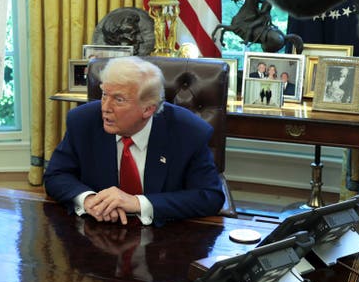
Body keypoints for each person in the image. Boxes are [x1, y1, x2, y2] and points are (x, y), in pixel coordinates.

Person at [44, 56, 224, 225]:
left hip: (166, 236)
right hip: (98, 229)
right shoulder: (82, 121)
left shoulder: (189, 132)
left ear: (148, 109)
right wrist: (88, 199)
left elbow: (209, 196)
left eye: (119, 99)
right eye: (104, 94)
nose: (105, 107)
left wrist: (137, 203)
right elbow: (56, 175)